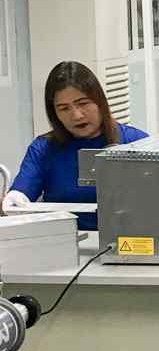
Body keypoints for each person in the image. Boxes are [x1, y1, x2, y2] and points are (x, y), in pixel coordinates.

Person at [3, 61, 148, 231]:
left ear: (100, 101)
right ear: (54, 114)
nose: (77, 115)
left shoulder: (137, 143)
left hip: (128, 245)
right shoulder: (43, 149)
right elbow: (22, 192)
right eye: (64, 108)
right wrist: (13, 201)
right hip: (64, 244)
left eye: (83, 103)